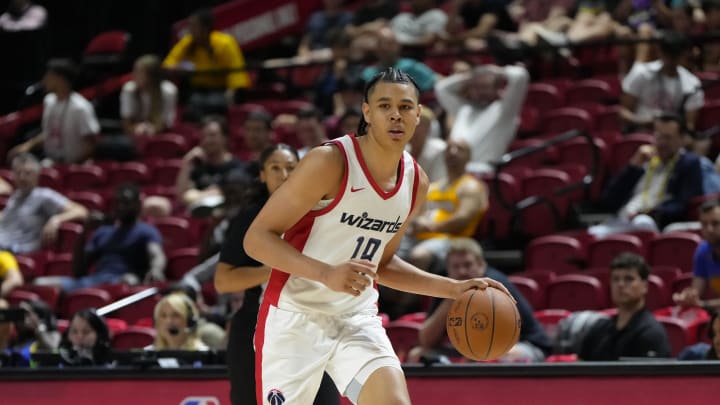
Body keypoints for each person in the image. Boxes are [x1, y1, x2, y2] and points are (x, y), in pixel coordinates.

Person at [243, 68, 512, 405]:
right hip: (294, 318)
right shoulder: (330, 162)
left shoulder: (417, 182)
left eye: (405, 106)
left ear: (418, 116)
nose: (395, 115)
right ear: (367, 113)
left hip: (355, 317)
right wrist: (325, 273)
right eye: (384, 106)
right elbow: (256, 239)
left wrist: (454, 289)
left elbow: (382, 264)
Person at [215, 144, 339, 405]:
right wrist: (275, 268)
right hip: (257, 327)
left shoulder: (323, 213)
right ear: (262, 175)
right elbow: (223, 281)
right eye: (275, 167)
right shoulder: (251, 217)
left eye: (291, 168)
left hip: (314, 325)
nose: (283, 174)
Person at [408, 238, 552, 363]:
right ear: (448, 269)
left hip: (524, 345)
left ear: (481, 265)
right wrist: (451, 300)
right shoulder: (449, 286)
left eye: (467, 265)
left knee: (491, 355)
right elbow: (426, 340)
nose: (462, 272)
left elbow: (498, 339)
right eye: (456, 267)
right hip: (471, 350)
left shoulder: (494, 287)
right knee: (417, 355)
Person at [35, 184, 166, 292]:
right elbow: (79, 271)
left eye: (126, 203)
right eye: (118, 202)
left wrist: (156, 269)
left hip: (123, 281)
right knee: (39, 283)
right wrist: (84, 232)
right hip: (94, 281)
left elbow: (156, 254)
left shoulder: (146, 230)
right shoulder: (103, 232)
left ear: (138, 205)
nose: (121, 207)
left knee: (129, 280)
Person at [591, 113, 703, 237]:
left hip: (655, 222)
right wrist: (633, 166)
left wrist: (651, 213)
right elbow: (609, 199)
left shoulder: (688, 163)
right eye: (659, 136)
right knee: (593, 234)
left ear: (682, 139)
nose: (662, 142)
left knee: (643, 223)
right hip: (623, 220)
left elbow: (683, 204)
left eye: (668, 137)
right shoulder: (644, 159)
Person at [402, 138, 488, 275]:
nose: (453, 152)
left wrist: (431, 227)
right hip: (421, 237)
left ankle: (409, 297)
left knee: (419, 256)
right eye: (449, 149)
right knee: (386, 251)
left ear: (469, 157)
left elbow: (463, 218)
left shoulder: (471, 186)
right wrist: (412, 225)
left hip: (454, 240)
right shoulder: (433, 187)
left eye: (459, 149)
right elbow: (415, 214)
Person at [434, 63, 529, 174]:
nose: (480, 92)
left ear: (497, 88)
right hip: (452, 171)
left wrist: (496, 71)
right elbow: (441, 88)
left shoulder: (504, 111)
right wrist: (470, 76)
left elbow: (521, 76)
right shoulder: (464, 109)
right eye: (475, 87)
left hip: (482, 173)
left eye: (485, 87)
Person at [579, 253, 672, 361]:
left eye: (629, 279)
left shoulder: (652, 333)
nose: (621, 284)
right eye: (615, 279)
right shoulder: (598, 329)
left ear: (645, 286)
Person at [163, 9, 251, 120]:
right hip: (196, 91)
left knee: (214, 104)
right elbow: (168, 65)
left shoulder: (225, 43)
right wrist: (182, 68)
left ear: (205, 28)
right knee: (192, 108)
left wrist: (232, 94)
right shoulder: (188, 42)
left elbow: (237, 74)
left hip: (220, 91)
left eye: (194, 26)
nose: (190, 30)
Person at [8, 59, 100, 164]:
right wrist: (27, 146)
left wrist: (73, 165)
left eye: (49, 76)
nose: (44, 80)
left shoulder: (80, 107)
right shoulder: (49, 101)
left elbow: (92, 144)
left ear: (61, 79)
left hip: (74, 166)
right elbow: (50, 133)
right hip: (51, 162)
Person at [0, 153, 88, 254]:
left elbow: (82, 211)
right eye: (18, 173)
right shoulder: (15, 196)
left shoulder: (43, 195)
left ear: (37, 175)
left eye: (27, 173)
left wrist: (56, 219)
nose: (22, 177)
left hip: (16, 252)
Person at [620, 32, 704, 133]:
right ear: (660, 52)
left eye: (675, 55)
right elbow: (623, 112)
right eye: (667, 53)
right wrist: (644, 122)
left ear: (682, 54)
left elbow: (690, 126)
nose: (670, 59)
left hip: (671, 136)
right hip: (640, 130)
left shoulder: (692, 84)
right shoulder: (641, 73)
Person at [176, 115, 244, 214]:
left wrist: (196, 195)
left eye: (212, 135)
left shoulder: (237, 167)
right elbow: (181, 196)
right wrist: (186, 163)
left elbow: (228, 195)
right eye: (204, 136)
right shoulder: (198, 167)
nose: (207, 140)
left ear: (225, 138)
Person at [674, 200, 720, 309]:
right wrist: (687, 297)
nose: (709, 229)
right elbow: (697, 292)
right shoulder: (703, 251)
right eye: (704, 224)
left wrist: (704, 304)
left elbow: (701, 303)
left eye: (716, 223)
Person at [121, 54, 178, 138]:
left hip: (160, 135)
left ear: (151, 76)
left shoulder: (168, 91)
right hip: (134, 135)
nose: (134, 75)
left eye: (139, 72)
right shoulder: (129, 89)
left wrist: (153, 130)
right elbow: (126, 122)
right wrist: (136, 129)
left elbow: (167, 122)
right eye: (134, 71)